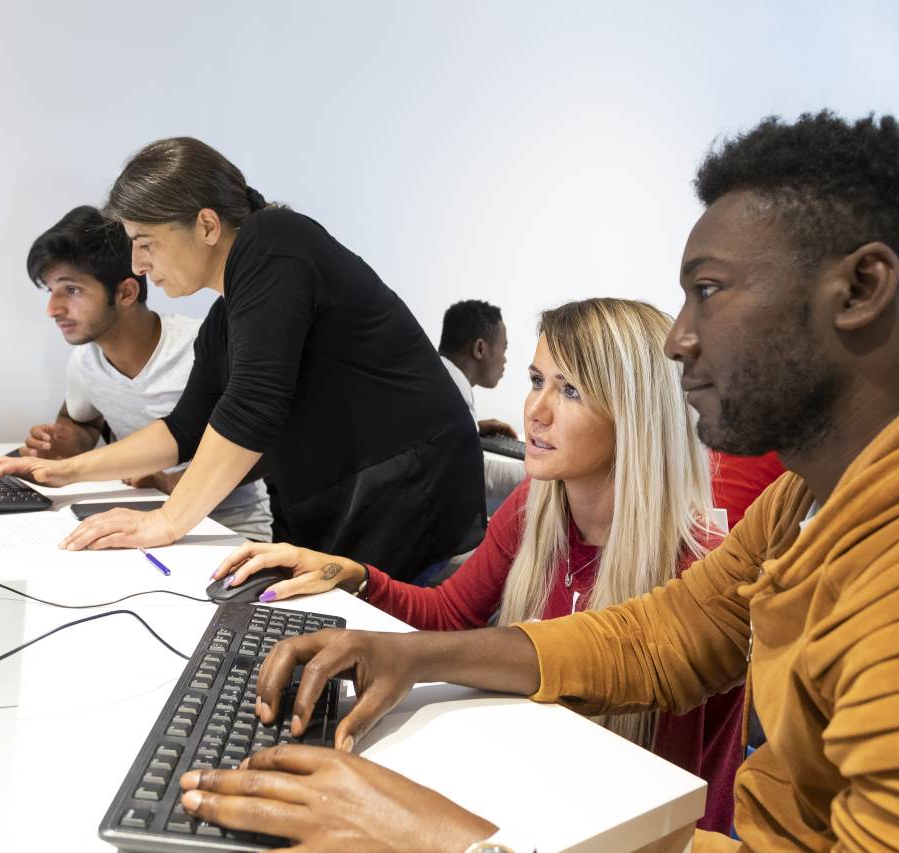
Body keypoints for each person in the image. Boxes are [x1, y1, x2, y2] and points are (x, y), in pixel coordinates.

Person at [171, 112, 899, 851]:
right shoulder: (813, 497)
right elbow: (662, 636)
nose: (680, 338)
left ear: (862, 285)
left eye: (709, 291)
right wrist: (414, 655)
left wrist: (446, 839)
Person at [216, 297, 744, 832]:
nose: (536, 412)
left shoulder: (697, 568)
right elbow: (449, 612)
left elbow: (666, 795)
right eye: (537, 380)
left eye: (571, 390)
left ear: (637, 415)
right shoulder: (537, 505)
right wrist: (355, 575)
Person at [0, 139, 485, 581]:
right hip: (341, 507)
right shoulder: (226, 317)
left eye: (145, 243)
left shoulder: (277, 242)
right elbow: (184, 429)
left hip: (409, 503)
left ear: (207, 225)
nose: (138, 265)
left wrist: (165, 522)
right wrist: (64, 471)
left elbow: (252, 407)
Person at [19, 205, 271, 540]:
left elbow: (263, 446)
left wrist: (172, 482)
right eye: (51, 291)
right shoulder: (85, 360)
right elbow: (81, 420)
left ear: (126, 292)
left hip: (228, 529)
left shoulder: (201, 345)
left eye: (72, 290)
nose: (53, 309)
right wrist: (63, 444)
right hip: (143, 517)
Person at [438, 299, 524, 514]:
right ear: (479, 348)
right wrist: (544, 475)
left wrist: (471, 428)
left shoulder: (436, 377)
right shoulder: (452, 391)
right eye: (503, 349)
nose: (505, 360)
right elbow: (476, 476)